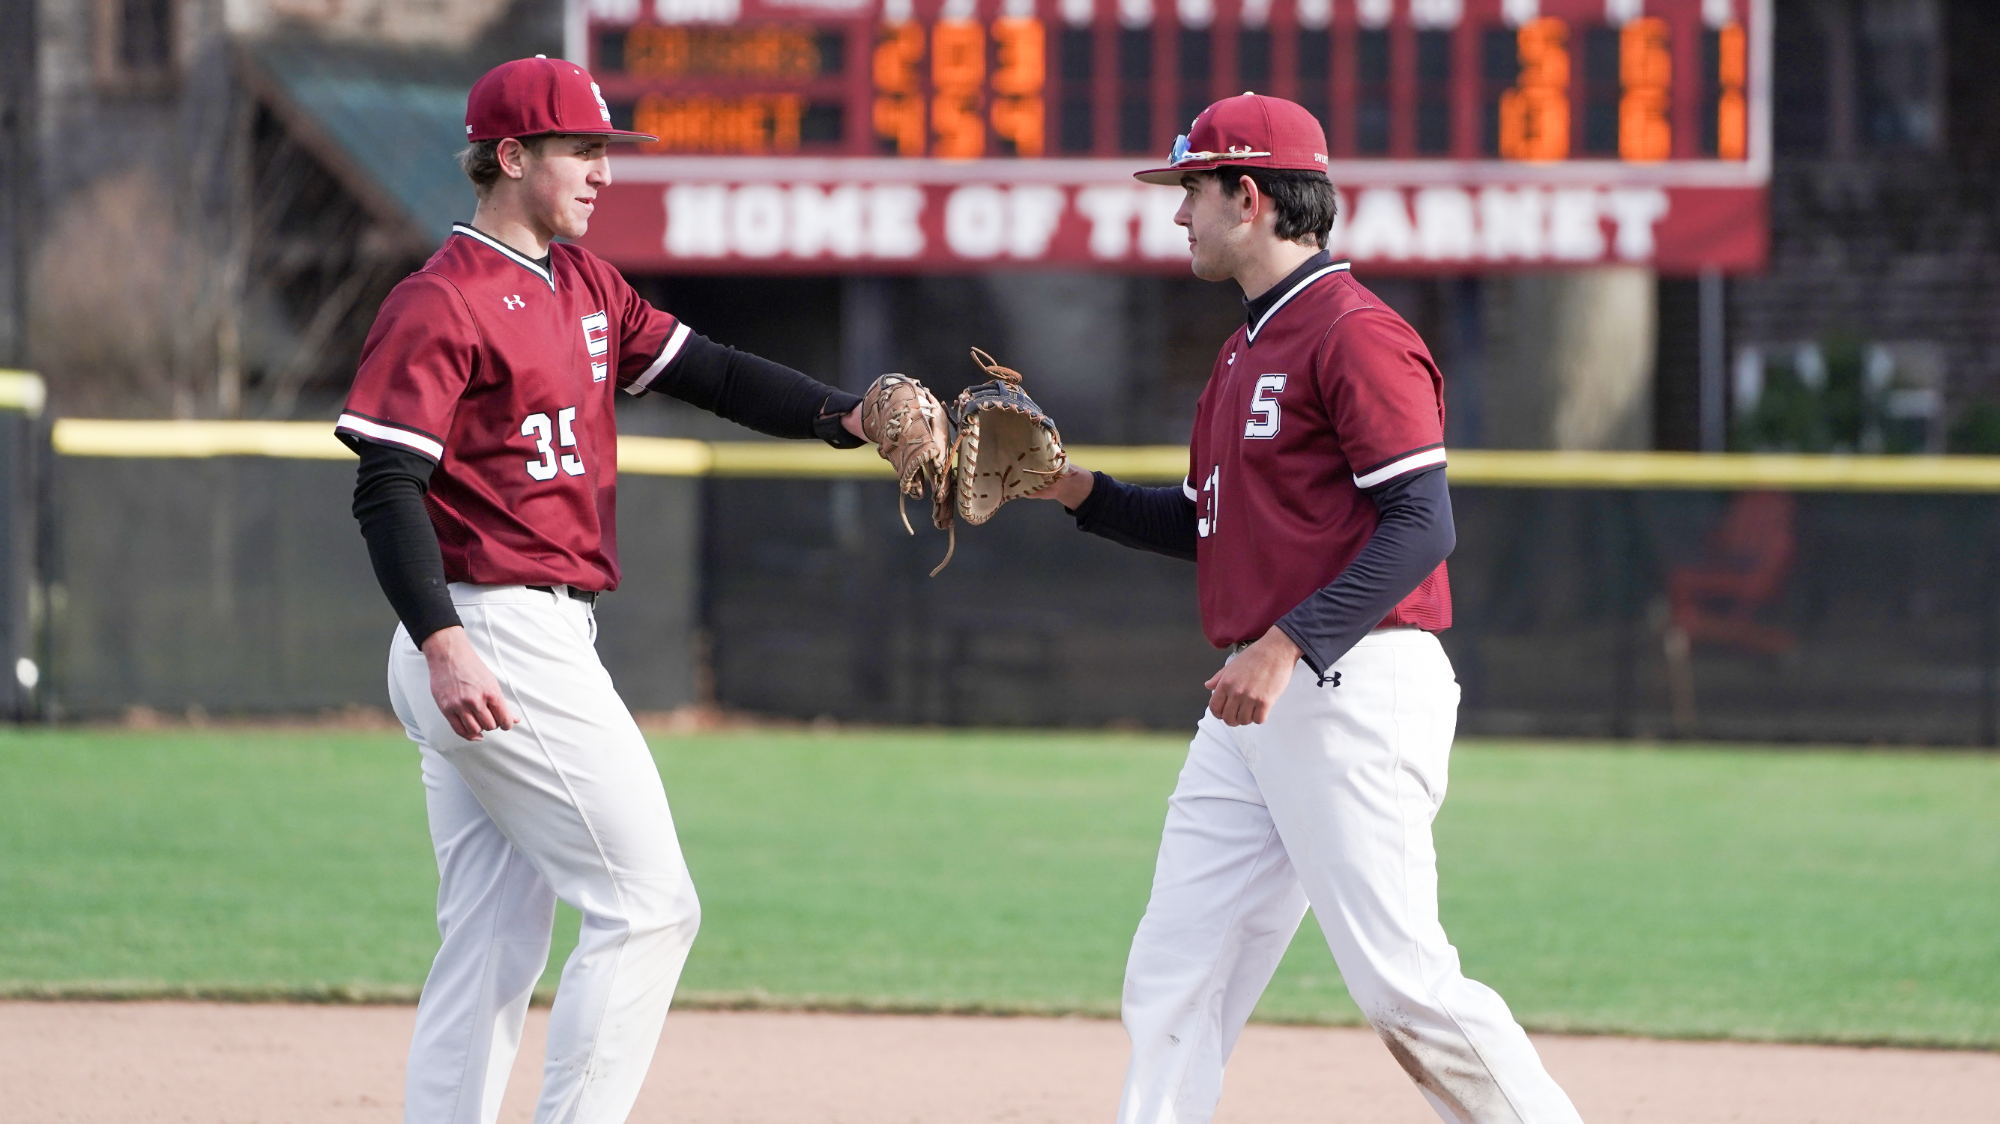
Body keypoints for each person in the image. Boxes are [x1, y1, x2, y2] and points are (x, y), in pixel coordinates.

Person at [335, 56, 875, 1124]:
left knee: (491, 935)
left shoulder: (585, 283)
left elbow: (711, 372)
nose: (601, 173)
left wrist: (844, 415)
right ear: (510, 155)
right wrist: (442, 638)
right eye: (582, 151)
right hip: (489, 627)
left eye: (603, 151)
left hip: (527, 634)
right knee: (647, 906)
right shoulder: (439, 298)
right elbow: (386, 483)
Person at [1030, 93, 1585, 1124]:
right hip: (1257, 699)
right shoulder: (1245, 348)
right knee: (1173, 975)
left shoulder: (1355, 334)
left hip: (1350, 682)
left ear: (1248, 196)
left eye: (1190, 190)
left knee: (1403, 985)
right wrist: (1074, 489)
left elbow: (1420, 523)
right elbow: (1209, 523)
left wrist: (1286, 644)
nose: (1176, 214)